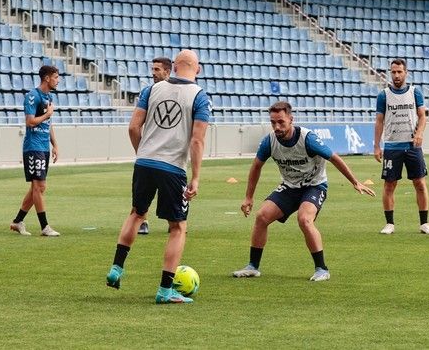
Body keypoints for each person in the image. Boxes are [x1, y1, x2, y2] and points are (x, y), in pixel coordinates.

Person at [106, 50, 210, 304]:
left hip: (144, 161)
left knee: (137, 213)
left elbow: (133, 127)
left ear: (174, 67)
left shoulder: (150, 90)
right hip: (173, 167)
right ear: (197, 69)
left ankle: (116, 268)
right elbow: (197, 140)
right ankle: (165, 290)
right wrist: (195, 177)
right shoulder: (199, 96)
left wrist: (142, 153)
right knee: (177, 227)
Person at [232, 101, 375, 281]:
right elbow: (256, 167)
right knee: (262, 217)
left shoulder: (308, 139)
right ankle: (253, 266)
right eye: (273, 122)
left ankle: (322, 269)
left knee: (304, 219)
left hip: (315, 185)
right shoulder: (269, 141)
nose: (277, 126)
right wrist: (248, 197)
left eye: (281, 122)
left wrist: (355, 182)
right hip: (290, 186)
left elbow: (334, 157)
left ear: (291, 119)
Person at [373, 58, 429, 235]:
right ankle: (390, 224)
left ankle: (424, 223)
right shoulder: (383, 95)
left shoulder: (415, 92)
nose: (396, 75)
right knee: (389, 185)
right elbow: (379, 121)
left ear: (406, 73)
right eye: (393, 72)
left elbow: (423, 116)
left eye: (399, 72)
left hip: (412, 146)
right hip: (392, 146)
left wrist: (419, 134)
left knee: (420, 183)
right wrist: (377, 146)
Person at [9, 65, 61, 237]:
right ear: (47, 78)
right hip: (33, 147)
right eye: (55, 77)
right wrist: (47, 114)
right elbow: (30, 122)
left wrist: (55, 144)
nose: (58, 80)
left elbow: (48, 123)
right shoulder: (33, 96)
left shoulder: (48, 97)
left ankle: (17, 221)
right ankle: (45, 227)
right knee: (39, 187)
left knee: (37, 188)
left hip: (43, 147)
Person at [138, 56, 173, 235]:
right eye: (152, 69)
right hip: (152, 152)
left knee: (170, 191)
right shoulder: (148, 91)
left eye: (157, 70)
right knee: (144, 192)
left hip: (171, 153)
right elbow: (135, 126)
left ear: (168, 72)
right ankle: (143, 221)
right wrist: (140, 149)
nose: (153, 73)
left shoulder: (180, 92)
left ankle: (174, 221)